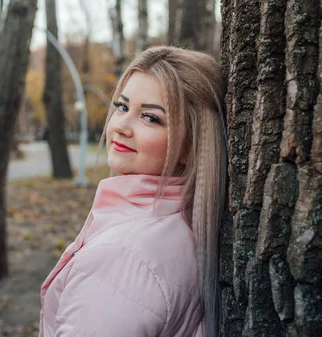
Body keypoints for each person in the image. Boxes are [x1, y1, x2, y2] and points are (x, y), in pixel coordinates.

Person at [38, 46, 227, 337]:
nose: (121, 126)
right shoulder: (182, 221)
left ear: (190, 147)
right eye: (122, 107)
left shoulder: (121, 259)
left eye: (150, 117)